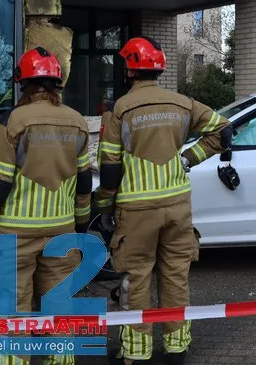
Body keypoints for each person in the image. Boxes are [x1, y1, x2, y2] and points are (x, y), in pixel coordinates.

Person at [94, 36, 232, 365]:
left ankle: (136, 354)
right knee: (174, 276)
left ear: (128, 70)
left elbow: (110, 168)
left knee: (136, 279)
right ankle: (176, 349)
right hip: (177, 207)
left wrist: (105, 208)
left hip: (136, 211)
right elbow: (223, 130)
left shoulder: (119, 110)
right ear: (159, 68)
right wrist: (186, 159)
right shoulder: (183, 103)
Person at [0, 46, 93, 364]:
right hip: (62, 233)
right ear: (56, 84)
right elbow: (84, 182)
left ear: (23, 84)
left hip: (13, 237)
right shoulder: (77, 122)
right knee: (58, 311)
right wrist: (80, 223)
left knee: (13, 315)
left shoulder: (11, 121)